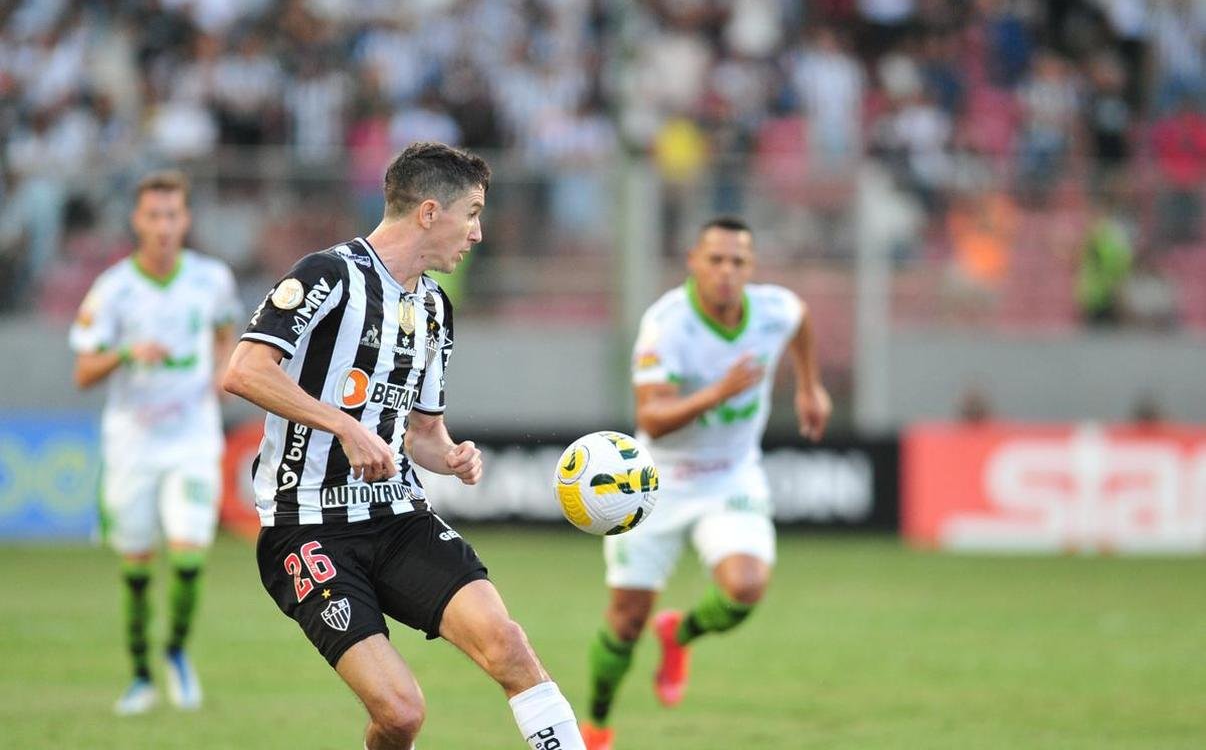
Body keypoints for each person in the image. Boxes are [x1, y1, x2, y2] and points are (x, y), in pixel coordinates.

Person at [222, 142, 586, 750]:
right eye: (472, 214)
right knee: (400, 714)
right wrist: (344, 426)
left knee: (509, 646)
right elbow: (244, 370)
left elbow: (423, 434)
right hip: (307, 527)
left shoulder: (436, 308)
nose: (477, 234)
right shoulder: (328, 276)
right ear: (429, 212)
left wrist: (452, 456)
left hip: (398, 518)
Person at [580, 218, 831, 750]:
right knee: (625, 622)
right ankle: (597, 725)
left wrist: (810, 387)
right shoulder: (666, 324)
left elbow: (801, 320)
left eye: (738, 262)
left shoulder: (774, 309)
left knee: (746, 588)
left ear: (751, 267)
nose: (726, 271)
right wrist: (719, 391)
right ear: (693, 261)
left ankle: (679, 634)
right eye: (715, 259)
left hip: (730, 476)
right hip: (654, 481)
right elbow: (652, 418)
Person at [70, 171, 242, 714]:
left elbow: (226, 333)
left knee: (189, 556)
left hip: (192, 437)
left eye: (172, 215)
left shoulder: (212, 278)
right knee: (138, 565)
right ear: (137, 221)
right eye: (154, 216)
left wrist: (221, 372)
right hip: (133, 442)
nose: (164, 226)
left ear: (185, 220)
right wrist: (126, 352)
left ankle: (176, 653)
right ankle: (141, 674)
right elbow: (83, 371)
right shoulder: (113, 288)